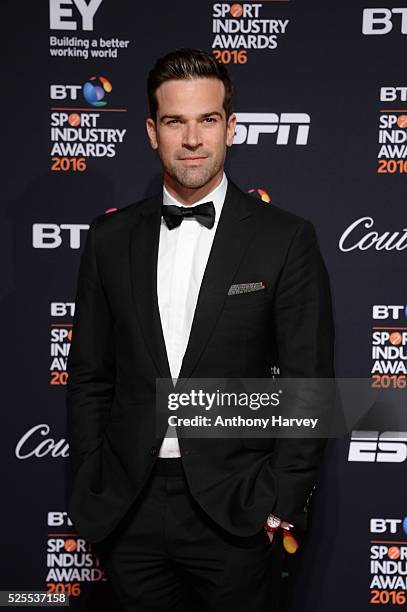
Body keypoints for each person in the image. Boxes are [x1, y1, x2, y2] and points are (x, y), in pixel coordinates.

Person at [66, 48, 335, 612]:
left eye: (208, 120)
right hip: (128, 509)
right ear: (151, 131)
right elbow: (91, 377)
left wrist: (280, 500)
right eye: (175, 121)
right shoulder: (109, 241)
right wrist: (92, 488)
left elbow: (310, 383)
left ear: (231, 128)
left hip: (237, 511)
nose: (192, 139)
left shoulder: (284, 239)